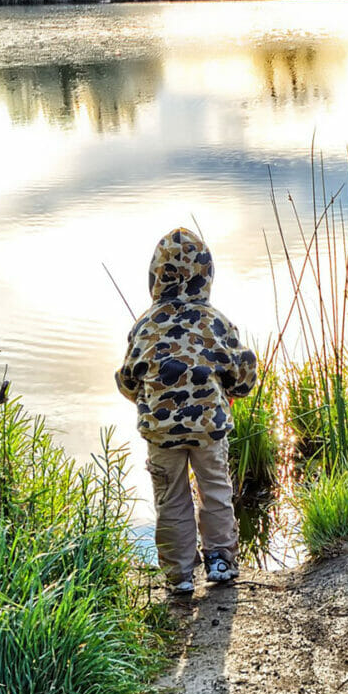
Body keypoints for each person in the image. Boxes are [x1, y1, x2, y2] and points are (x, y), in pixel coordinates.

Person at [116, 227, 256, 596]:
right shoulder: (215, 323)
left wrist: (148, 401)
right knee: (215, 490)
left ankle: (178, 574)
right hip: (209, 427)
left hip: (161, 432)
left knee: (170, 498)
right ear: (205, 274)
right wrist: (234, 392)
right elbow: (243, 371)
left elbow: (128, 379)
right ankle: (220, 559)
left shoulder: (145, 326)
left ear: (155, 276)